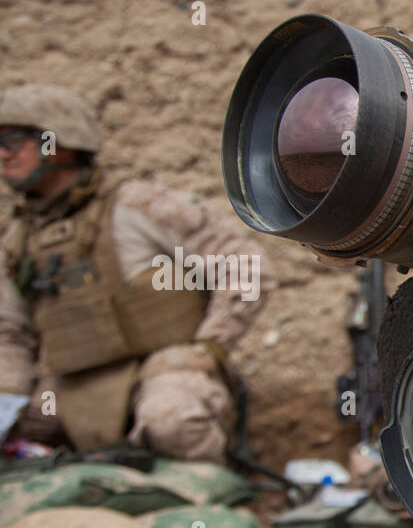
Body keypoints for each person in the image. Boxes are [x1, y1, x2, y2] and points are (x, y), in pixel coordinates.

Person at [0, 84, 272, 462]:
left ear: (59, 142)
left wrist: (208, 349)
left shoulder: (138, 206)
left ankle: (203, 504)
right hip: (66, 391)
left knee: (171, 422)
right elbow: (10, 334)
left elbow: (243, 264)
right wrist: (8, 402)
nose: (3, 154)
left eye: (14, 140)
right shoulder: (16, 240)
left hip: (159, 374)